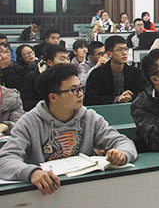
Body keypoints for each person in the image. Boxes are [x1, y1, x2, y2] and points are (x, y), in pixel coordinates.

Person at [0, 64, 137, 193]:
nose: (80, 94)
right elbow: (5, 159)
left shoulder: (89, 117)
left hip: (83, 188)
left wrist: (122, 154)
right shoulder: (29, 122)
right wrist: (31, 173)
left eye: (80, 88)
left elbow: (123, 142)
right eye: (73, 90)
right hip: (44, 193)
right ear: (53, 97)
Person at [84, 36, 146, 106]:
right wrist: (116, 99)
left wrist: (131, 97)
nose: (124, 53)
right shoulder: (97, 74)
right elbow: (90, 99)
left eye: (126, 49)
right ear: (109, 54)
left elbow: (145, 94)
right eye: (120, 50)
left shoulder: (135, 73)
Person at [21, 45, 70, 112]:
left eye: (68, 59)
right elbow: (27, 103)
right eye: (62, 59)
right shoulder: (34, 76)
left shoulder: (71, 76)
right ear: (49, 62)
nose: (67, 62)